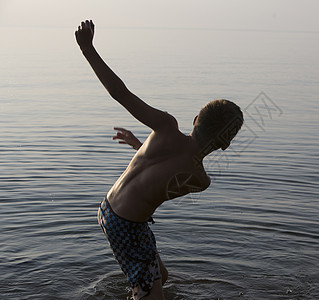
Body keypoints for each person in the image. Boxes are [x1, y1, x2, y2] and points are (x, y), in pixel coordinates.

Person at [75, 20, 243, 300]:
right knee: (149, 291)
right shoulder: (200, 180)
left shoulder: (165, 126)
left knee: (160, 277)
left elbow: (120, 93)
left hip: (109, 208)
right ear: (225, 145)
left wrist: (88, 49)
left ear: (195, 120)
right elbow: (164, 181)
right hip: (127, 223)